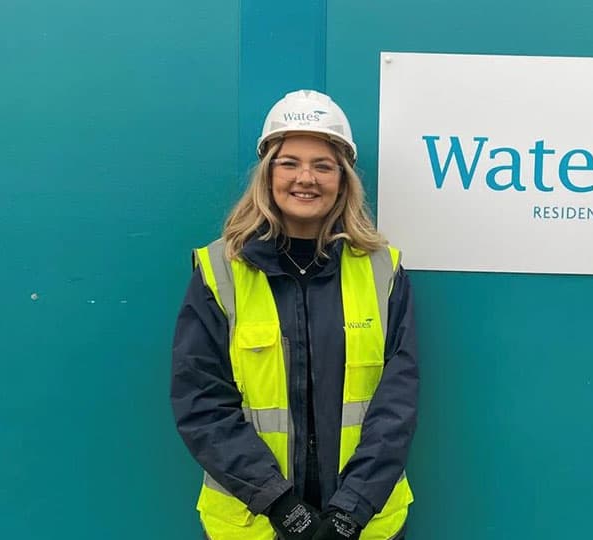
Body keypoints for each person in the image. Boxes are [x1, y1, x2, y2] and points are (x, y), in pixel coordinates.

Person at [171, 89, 418, 540]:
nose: (306, 178)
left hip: (363, 525)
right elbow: (201, 403)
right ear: (267, 175)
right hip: (255, 522)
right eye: (290, 163)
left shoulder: (383, 271)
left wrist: (351, 512)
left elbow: (396, 403)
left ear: (343, 180)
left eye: (323, 165)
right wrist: (281, 505)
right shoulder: (220, 271)